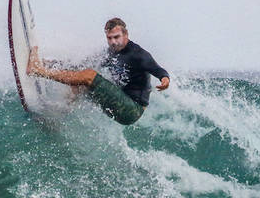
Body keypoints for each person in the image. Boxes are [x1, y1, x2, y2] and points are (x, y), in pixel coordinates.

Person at [27, 17, 170, 125]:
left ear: (126, 34)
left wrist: (165, 79)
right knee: (80, 81)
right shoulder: (111, 53)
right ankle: (56, 117)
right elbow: (80, 68)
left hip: (132, 109)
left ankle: (38, 71)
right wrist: (52, 64)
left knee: (89, 76)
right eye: (109, 38)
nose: (113, 42)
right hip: (119, 102)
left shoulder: (138, 54)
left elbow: (157, 69)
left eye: (117, 37)